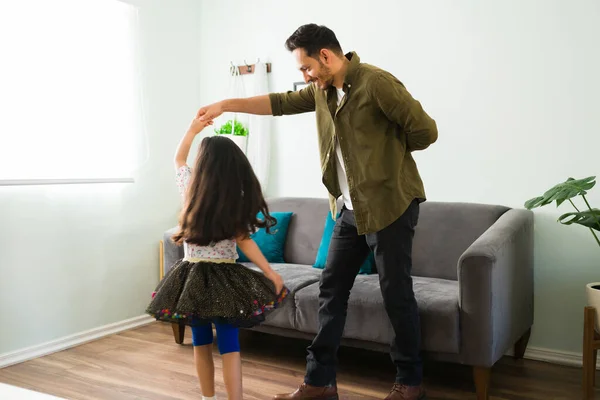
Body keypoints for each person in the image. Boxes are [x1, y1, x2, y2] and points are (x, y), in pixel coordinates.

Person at [196, 23, 437, 400]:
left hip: (391, 206)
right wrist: (225, 105)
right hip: (348, 210)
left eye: (306, 68)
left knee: (396, 293)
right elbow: (278, 104)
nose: (304, 77)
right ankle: (319, 383)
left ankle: (410, 383)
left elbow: (425, 132)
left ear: (326, 56)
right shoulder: (323, 92)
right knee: (331, 290)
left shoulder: (377, 83)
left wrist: (386, 158)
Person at [146, 116, 289, 400]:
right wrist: (270, 272)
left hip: (192, 278)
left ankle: (207, 398)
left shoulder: (189, 190)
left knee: (200, 342)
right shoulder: (233, 197)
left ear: (204, 165)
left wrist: (192, 129)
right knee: (229, 344)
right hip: (226, 278)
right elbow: (244, 241)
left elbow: (178, 158)